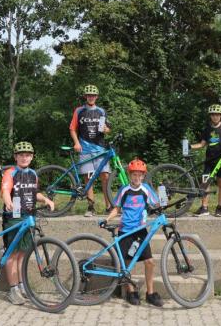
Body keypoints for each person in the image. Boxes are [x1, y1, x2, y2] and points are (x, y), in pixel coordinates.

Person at [103, 158, 164, 307]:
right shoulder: (124, 190)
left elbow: (157, 204)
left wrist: (163, 196)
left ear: (143, 176)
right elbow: (117, 209)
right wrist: (107, 219)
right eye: (134, 175)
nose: (137, 178)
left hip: (140, 231)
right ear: (130, 175)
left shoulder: (146, 189)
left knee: (149, 262)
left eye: (140, 175)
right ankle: (130, 291)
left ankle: (150, 293)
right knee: (127, 262)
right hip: (125, 231)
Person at [1, 141, 55, 305]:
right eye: (21, 155)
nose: (24, 158)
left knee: (23, 253)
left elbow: (34, 192)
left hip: (29, 214)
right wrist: (8, 201)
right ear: (16, 157)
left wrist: (46, 199)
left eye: (27, 155)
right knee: (12, 254)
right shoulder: (10, 172)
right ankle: (13, 290)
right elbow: (5, 190)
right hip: (15, 212)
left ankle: (22, 285)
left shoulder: (33, 174)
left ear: (31, 157)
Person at [189, 104, 221, 216]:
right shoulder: (207, 129)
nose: (215, 117)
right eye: (213, 115)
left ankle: (219, 207)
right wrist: (191, 146)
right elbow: (202, 144)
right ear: (210, 116)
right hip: (209, 160)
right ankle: (204, 208)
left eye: (217, 115)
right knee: (205, 183)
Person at [69, 84, 112, 217]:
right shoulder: (79, 111)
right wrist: (76, 143)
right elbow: (72, 129)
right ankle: (90, 207)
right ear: (85, 96)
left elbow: (107, 128)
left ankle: (109, 206)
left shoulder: (101, 111)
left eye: (93, 95)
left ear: (96, 97)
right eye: (89, 95)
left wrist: (106, 129)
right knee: (88, 178)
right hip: (85, 149)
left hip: (100, 149)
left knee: (105, 177)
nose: (91, 97)